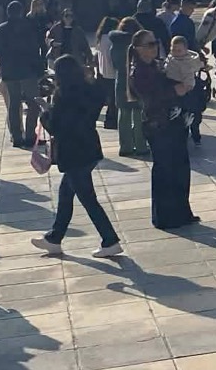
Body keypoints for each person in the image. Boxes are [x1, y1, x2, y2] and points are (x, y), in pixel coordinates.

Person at [33, 55, 122, 257]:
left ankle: (110, 240)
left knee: (88, 199)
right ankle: (54, 238)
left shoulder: (63, 96)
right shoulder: (89, 89)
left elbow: (56, 126)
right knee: (66, 194)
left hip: (73, 152)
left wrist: (45, 111)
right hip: (89, 147)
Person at [130, 29, 198, 229]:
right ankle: (165, 217)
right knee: (164, 170)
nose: (155, 47)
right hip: (158, 124)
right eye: (150, 44)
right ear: (139, 49)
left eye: (156, 43)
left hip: (174, 121)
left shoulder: (158, 65)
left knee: (180, 167)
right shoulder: (138, 71)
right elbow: (149, 97)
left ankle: (182, 212)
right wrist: (174, 90)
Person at [0, 1, 45, 150]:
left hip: (10, 71)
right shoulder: (29, 27)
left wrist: (4, 64)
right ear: (21, 12)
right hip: (28, 70)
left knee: (14, 104)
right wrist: (40, 68)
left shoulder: (0, 29)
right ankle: (30, 135)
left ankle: (16, 136)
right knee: (33, 103)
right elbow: (36, 48)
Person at [108, 18, 145, 157]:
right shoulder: (139, 43)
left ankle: (125, 146)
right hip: (138, 79)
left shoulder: (115, 43)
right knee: (139, 114)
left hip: (121, 79)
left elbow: (113, 64)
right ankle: (141, 145)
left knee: (123, 114)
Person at [93, 16, 119, 130]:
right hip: (112, 71)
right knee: (113, 100)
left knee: (108, 98)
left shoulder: (100, 39)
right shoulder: (111, 39)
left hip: (103, 71)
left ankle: (109, 120)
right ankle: (111, 120)